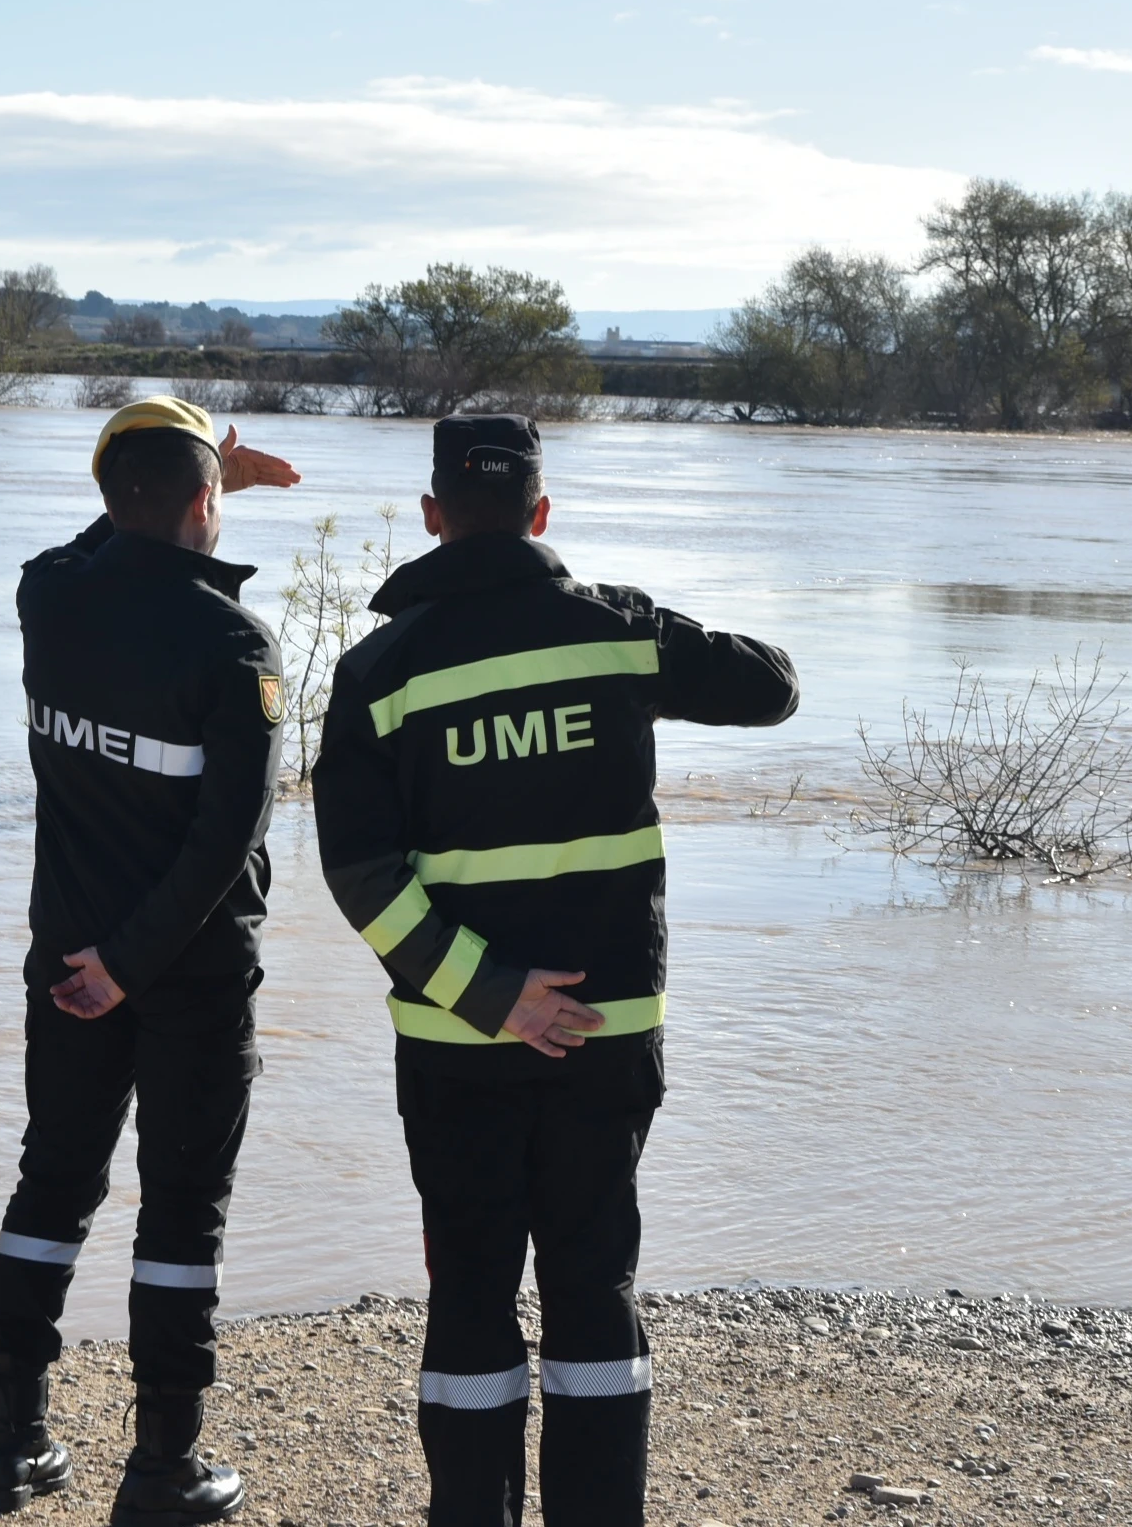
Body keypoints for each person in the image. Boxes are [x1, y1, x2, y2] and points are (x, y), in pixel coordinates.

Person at [310, 414, 800, 1527]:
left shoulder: (378, 669)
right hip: (605, 1034)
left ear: (432, 519)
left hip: (454, 1044)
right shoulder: (616, 633)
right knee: (592, 1286)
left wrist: (492, 997)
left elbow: (359, 873)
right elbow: (772, 687)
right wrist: (626, 619)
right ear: (541, 513)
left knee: (471, 1289)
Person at [0, 397, 299, 1524]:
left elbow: (93, 536)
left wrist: (186, 472)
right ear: (207, 501)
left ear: (113, 499)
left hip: (63, 956)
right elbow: (229, 838)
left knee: (51, 1179)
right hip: (188, 970)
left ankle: (9, 1437)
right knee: (182, 1211)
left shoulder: (46, 594)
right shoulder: (230, 642)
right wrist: (129, 965)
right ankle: (162, 1462)